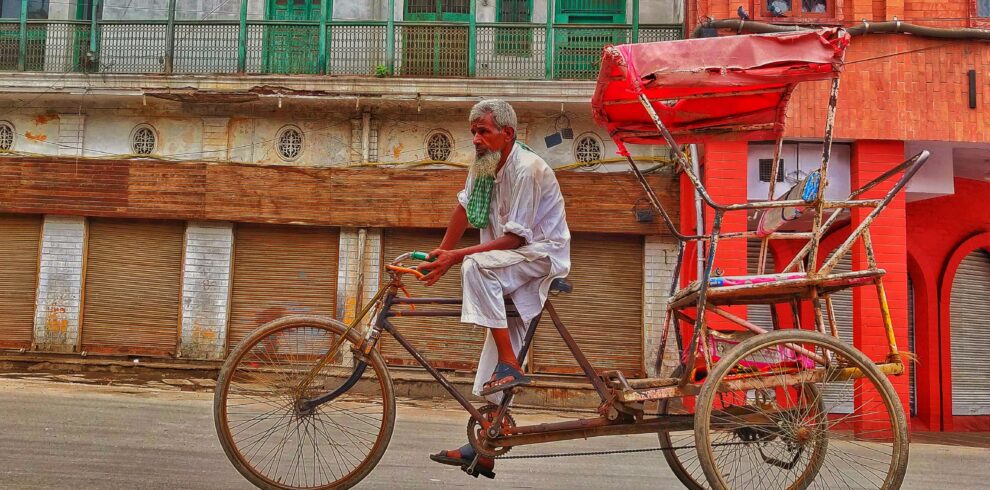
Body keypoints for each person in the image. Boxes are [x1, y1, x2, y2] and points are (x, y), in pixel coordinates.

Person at [421, 99, 571, 479]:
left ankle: (511, 363)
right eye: (473, 131)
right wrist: (441, 253)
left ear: (508, 134)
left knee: (474, 266)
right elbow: (463, 208)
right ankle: (485, 447)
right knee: (492, 359)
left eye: (483, 131)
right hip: (508, 263)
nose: (476, 139)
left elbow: (515, 241)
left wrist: (455, 257)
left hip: (539, 255)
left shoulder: (527, 169)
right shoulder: (485, 166)